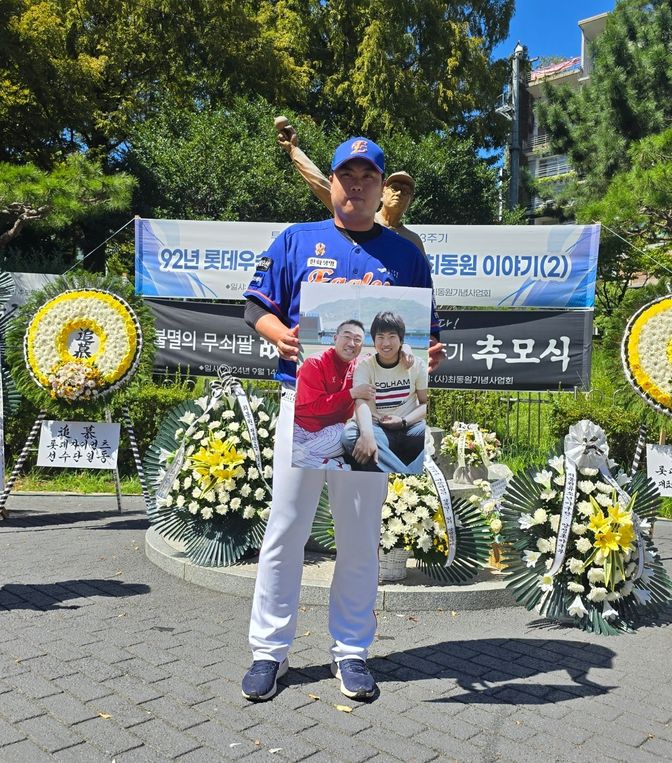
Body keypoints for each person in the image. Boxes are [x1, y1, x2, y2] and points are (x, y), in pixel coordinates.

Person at [242, 135, 443, 702]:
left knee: (358, 537)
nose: (356, 185)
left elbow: (426, 329)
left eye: (367, 177)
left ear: (382, 189)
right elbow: (257, 304)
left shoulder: (404, 253)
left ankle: (351, 650)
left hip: (372, 414)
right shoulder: (297, 239)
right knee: (287, 529)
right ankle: (268, 652)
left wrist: (429, 355)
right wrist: (277, 332)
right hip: (304, 406)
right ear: (330, 182)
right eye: (346, 175)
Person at [276, 119, 425, 254]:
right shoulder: (359, 213)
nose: (399, 193)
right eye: (395, 187)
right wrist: (294, 150)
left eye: (405, 191)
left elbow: (422, 283)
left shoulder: (413, 242)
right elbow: (320, 183)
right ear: (383, 189)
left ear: (411, 200)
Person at [342, 311, 427, 474]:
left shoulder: (416, 364)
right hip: (378, 429)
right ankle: (410, 478)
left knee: (429, 435)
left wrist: (403, 421)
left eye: (392, 336)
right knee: (350, 435)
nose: (386, 343)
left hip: (410, 427)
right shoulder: (365, 367)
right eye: (380, 337)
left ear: (401, 340)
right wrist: (367, 434)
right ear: (374, 341)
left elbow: (425, 403)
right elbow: (361, 402)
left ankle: (402, 478)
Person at [292, 319, 374, 470]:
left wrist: (405, 349)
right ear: (335, 338)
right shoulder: (315, 363)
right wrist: (352, 393)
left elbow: (386, 356)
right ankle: (334, 466)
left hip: (330, 431)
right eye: (347, 337)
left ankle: (301, 458)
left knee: (344, 435)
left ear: (362, 345)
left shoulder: (360, 365)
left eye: (357, 340)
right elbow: (315, 407)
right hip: (301, 427)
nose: (351, 343)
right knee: (288, 451)